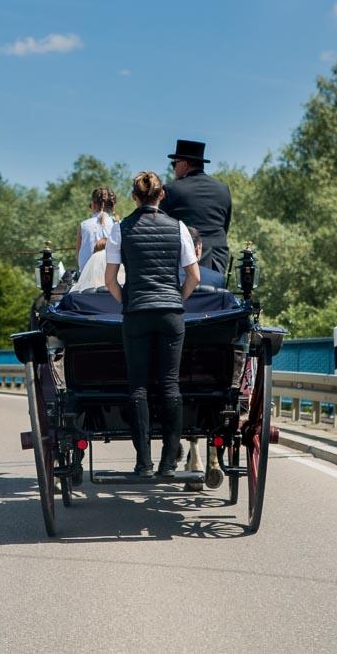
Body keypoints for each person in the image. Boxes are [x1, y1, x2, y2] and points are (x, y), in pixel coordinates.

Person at [105, 171, 200, 478]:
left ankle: (143, 463)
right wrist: (176, 299)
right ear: (162, 196)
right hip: (170, 313)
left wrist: (127, 301)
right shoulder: (179, 228)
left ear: (134, 197)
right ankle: (168, 462)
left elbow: (110, 280)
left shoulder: (121, 229)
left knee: (138, 387)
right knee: (170, 384)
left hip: (137, 313)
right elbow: (194, 276)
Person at [161, 139, 233, 274]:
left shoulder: (171, 190)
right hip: (216, 259)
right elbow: (225, 226)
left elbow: (162, 229)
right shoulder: (223, 189)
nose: (173, 168)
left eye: (174, 164)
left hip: (183, 260)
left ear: (185, 164)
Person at [75, 186, 118, 272]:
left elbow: (78, 255)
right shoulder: (119, 225)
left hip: (87, 277)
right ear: (113, 206)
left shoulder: (83, 226)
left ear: (93, 205)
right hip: (114, 276)